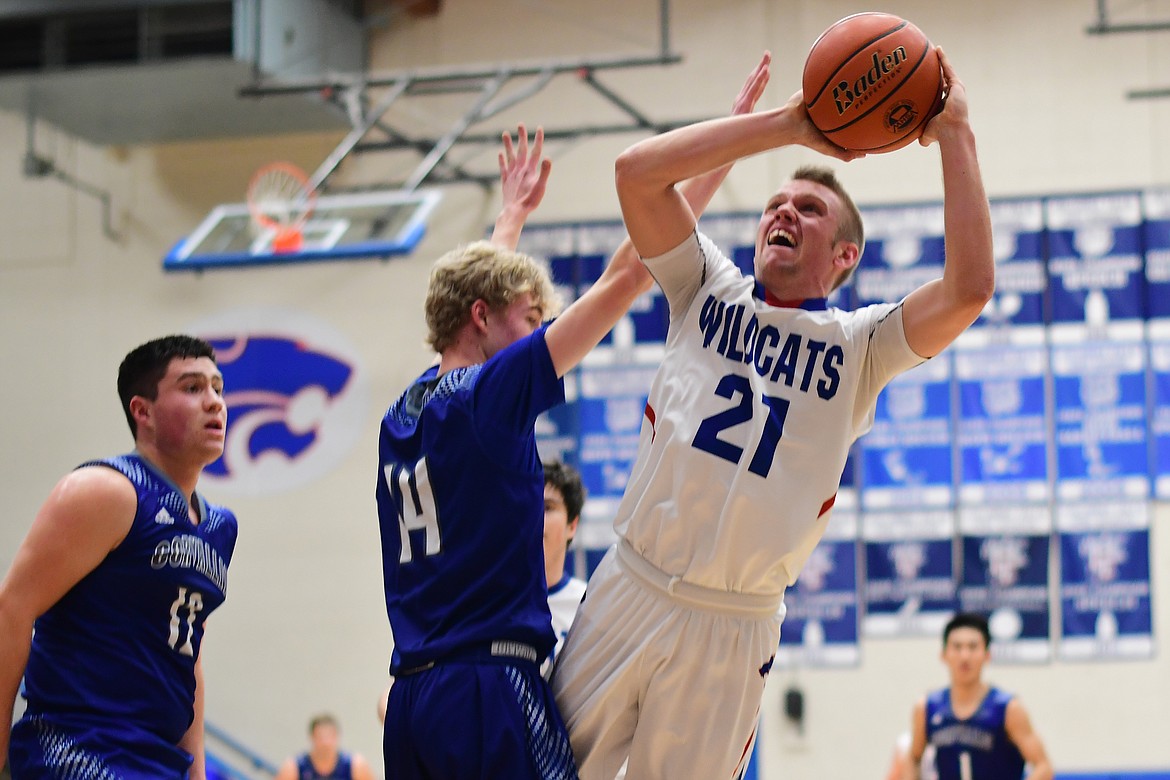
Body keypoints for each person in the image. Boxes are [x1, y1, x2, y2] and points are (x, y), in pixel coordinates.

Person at [551, 47, 996, 780]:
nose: (784, 212)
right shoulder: (704, 285)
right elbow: (636, 172)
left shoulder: (862, 348)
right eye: (774, 206)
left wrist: (956, 131)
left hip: (736, 621)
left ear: (845, 255)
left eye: (809, 209)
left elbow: (969, 289)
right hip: (631, 581)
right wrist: (787, 124)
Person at [375, 58, 771, 780]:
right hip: (487, 689)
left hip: (412, 699)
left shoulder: (405, 412)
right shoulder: (487, 399)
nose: (539, 333)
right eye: (530, 319)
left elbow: (480, 299)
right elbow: (631, 271)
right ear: (483, 318)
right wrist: (733, 139)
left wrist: (511, 220)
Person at [0, 335, 237, 779]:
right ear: (142, 411)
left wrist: (197, 772)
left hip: (156, 756)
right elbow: (13, 608)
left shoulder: (220, 527)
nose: (214, 403)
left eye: (218, 388)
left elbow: (189, 650)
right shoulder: (105, 489)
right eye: (192, 389)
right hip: (77, 746)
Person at [902, 613, 1052, 780]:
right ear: (944, 655)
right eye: (957, 647)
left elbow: (1043, 767)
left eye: (973, 647)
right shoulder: (927, 707)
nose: (965, 656)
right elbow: (912, 758)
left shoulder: (1007, 708)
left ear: (987, 655)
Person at [541, 459, 588, 676]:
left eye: (547, 508)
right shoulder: (491, 603)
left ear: (572, 525)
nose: (535, 517)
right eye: (528, 506)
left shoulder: (590, 605)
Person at [275, 713, 376, 780]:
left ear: (337, 736)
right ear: (312, 737)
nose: (325, 742)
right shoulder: (295, 766)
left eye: (329, 736)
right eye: (321, 737)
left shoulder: (355, 764)